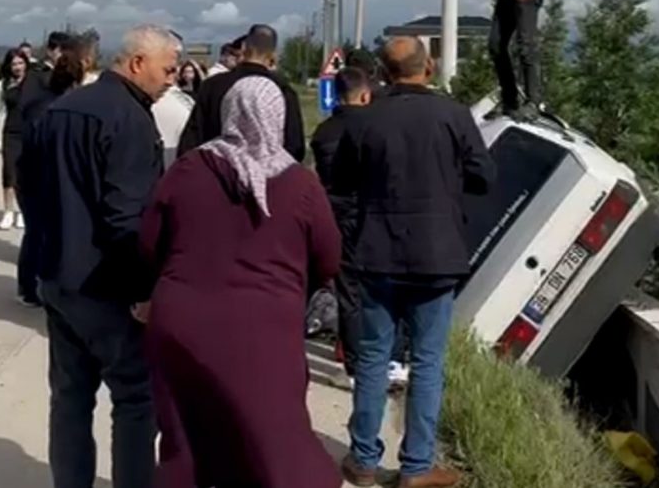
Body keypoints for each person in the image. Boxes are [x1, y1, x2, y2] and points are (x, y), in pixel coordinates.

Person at [139, 76, 342, 488]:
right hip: (264, 329)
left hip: (182, 324)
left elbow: (148, 244)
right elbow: (329, 256)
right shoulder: (299, 183)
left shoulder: (188, 169)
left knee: (186, 436)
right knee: (271, 438)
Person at [21, 25, 182, 488]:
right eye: (167, 69)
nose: (172, 79)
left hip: (57, 277)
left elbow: (30, 191)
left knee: (70, 398)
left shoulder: (59, 109)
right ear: (136, 63)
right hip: (107, 286)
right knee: (135, 399)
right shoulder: (128, 120)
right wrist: (143, 292)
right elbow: (127, 219)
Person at [336, 36, 495, 488]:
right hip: (436, 255)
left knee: (372, 357)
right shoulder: (453, 115)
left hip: (376, 253)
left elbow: (342, 179)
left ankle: (363, 461)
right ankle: (416, 468)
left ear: (384, 75)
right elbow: (484, 177)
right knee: (427, 361)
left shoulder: (365, 120)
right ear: (427, 69)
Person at [312, 68, 409, 391]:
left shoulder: (324, 132)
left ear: (335, 95)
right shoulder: (378, 128)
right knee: (388, 287)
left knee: (348, 293)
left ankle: (354, 367)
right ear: (366, 95)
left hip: (337, 218)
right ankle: (391, 359)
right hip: (377, 216)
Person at [14, 31, 92, 308]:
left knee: (49, 233)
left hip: (47, 175)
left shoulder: (65, 100)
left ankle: (46, 282)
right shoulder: (37, 83)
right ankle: (28, 286)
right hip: (36, 175)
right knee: (36, 232)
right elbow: (26, 127)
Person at [178, 24, 306, 161]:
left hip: (216, 171)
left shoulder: (212, 86)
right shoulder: (283, 90)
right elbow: (295, 145)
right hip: (269, 176)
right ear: (274, 55)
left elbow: (192, 139)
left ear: (243, 49)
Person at [0, 49, 29, 230]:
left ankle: (24, 212)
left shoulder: (34, 84)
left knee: (27, 175)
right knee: (9, 173)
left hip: (31, 133)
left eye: (20, 63)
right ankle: (8, 212)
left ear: (26, 64)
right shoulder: (3, 85)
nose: (17, 67)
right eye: (14, 64)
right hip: (12, 133)